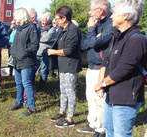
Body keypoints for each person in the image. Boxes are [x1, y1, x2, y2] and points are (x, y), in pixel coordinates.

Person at [95, 0, 146, 136]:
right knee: (109, 130)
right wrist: (101, 85)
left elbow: (123, 69)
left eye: (115, 13)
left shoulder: (137, 40)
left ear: (126, 15)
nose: (111, 16)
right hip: (112, 95)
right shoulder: (117, 37)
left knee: (121, 134)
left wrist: (102, 83)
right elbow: (105, 62)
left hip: (126, 98)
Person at [76, 0, 117, 136]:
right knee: (90, 96)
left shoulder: (111, 24)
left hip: (102, 67)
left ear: (100, 10)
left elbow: (94, 41)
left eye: (92, 9)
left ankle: (101, 128)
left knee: (100, 98)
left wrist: (91, 30)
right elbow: (86, 43)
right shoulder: (96, 24)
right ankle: (93, 123)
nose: (90, 12)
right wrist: (94, 36)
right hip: (91, 65)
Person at [48, 6, 82, 127]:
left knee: (70, 91)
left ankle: (70, 118)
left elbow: (68, 50)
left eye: (58, 18)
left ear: (64, 18)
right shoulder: (63, 29)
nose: (56, 21)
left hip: (71, 65)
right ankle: (62, 111)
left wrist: (53, 52)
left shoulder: (73, 30)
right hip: (63, 65)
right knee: (63, 90)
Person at [8, 7, 39, 116]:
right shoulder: (19, 28)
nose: (14, 18)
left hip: (27, 61)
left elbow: (34, 45)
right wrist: (13, 52)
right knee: (19, 83)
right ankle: (19, 101)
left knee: (27, 83)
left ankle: (31, 107)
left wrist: (24, 52)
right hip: (17, 61)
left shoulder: (31, 27)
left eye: (16, 16)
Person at [35, 12, 57, 95]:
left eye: (45, 20)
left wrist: (39, 37)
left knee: (43, 72)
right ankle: (33, 86)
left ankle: (40, 89)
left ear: (49, 20)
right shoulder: (39, 27)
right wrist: (41, 36)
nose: (43, 22)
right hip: (36, 53)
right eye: (42, 20)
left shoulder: (52, 29)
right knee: (33, 70)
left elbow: (46, 38)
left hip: (45, 54)